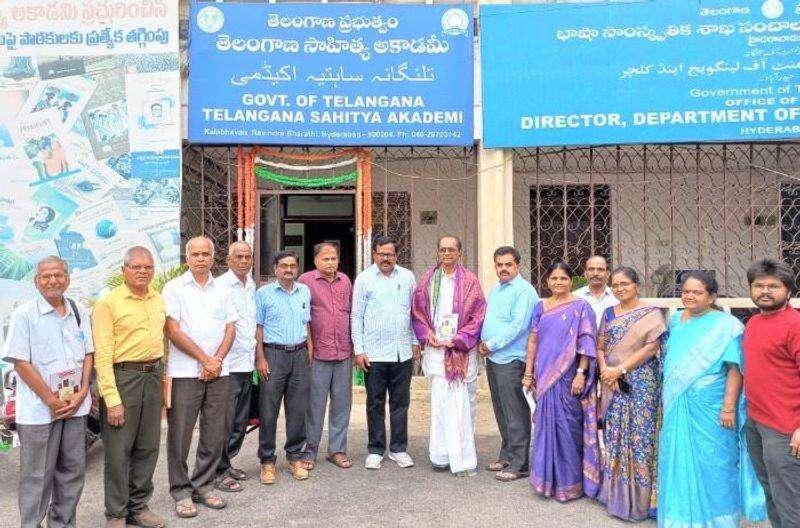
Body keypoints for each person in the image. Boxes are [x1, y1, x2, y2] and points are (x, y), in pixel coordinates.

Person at [658, 271, 765, 528]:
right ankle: (680, 519)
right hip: (677, 405)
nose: (689, 296)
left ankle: (720, 521)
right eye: (686, 291)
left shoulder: (727, 326)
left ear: (712, 296)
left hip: (713, 409)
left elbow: (735, 369)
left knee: (716, 463)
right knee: (676, 461)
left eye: (697, 292)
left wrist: (729, 407)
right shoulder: (675, 322)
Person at [3, 256, 94, 528]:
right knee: (36, 476)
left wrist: (82, 391)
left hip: (76, 406)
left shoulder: (79, 310)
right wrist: (50, 400)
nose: (53, 280)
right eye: (46, 276)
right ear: (36, 282)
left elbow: (89, 352)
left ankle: (63, 523)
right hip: (40, 411)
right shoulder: (25, 315)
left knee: (72, 470)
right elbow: (20, 361)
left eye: (58, 275)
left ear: (67, 278)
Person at [162, 236, 237, 518]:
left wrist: (216, 360)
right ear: (187, 257)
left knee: (213, 432)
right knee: (180, 434)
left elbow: (230, 328)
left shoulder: (223, 289)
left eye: (206, 254)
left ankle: (203, 485)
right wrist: (204, 359)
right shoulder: (174, 288)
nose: (202, 258)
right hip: (185, 372)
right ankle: (180, 490)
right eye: (196, 254)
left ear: (213, 257)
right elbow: (173, 331)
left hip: (220, 370)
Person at [92, 247, 166, 528]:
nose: (143, 271)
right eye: (136, 267)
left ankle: (139, 506)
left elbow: (162, 342)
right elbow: (102, 355)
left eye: (148, 267)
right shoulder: (108, 304)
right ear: (124, 270)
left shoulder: (157, 299)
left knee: (148, 447)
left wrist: (163, 380)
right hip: (124, 379)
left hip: (153, 376)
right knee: (118, 450)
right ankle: (116, 512)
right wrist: (112, 399)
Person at [522, 261, 600, 501]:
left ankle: (570, 484)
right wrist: (528, 372)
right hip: (544, 375)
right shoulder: (540, 306)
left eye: (563, 279)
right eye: (554, 278)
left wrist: (581, 373)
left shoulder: (581, 307)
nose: (558, 283)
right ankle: (547, 481)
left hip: (568, 376)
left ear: (571, 281)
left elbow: (587, 343)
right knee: (546, 426)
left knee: (568, 428)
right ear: (547, 281)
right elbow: (533, 340)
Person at [412, 235, 486, 476]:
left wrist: (458, 339)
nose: (446, 253)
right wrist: (427, 334)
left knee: (463, 403)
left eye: (451, 250)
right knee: (440, 402)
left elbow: (478, 315)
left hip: (461, 351)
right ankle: (441, 455)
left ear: (459, 254)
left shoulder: (470, 281)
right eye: (442, 249)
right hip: (436, 350)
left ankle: (463, 457)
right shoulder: (428, 280)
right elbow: (418, 313)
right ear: (438, 252)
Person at [595, 267, 665, 522]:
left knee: (640, 437)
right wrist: (606, 371)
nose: (619, 288)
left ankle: (644, 499)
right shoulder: (608, 313)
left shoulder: (651, 313)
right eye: (615, 284)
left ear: (636, 285)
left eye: (625, 284)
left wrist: (621, 369)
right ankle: (617, 495)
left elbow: (651, 347)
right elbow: (600, 346)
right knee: (615, 435)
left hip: (642, 383)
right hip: (612, 383)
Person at [352, 235, 419, 470]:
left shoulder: (408, 277)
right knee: (375, 403)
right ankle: (376, 449)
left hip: (402, 353)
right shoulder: (364, 279)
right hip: (374, 353)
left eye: (390, 254)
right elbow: (356, 316)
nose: (386, 258)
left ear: (396, 255)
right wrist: (358, 349)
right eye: (381, 254)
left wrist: (414, 341)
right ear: (374, 254)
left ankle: (399, 449)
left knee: (401, 403)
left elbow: (413, 313)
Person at [742, 259, 800, 528]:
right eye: (759, 285)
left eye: (773, 286)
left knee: (790, 500)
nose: (765, 291)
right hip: (757, 422)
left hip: (786, 429)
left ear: (788, 291)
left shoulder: (795, 326)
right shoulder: (754, 322)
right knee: (770, 492)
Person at [479, 246, 538, 481]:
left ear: (518, 265)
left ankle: (520, 464)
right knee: (502, 411)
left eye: (508, 264)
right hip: (494, 359)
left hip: (512, 359)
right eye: (499, 264)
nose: (503, 268)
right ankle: (506, 456)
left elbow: (519, 326)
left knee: (515, 413)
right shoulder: (498, 288)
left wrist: (491, 344)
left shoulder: (524, 291)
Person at [255, 250, 312, 484]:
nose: (288, 269)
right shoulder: (263, 293)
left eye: (292, 265)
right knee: (268, 411)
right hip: (273, 355)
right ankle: (267, 462)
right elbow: (258, 328)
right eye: (284, 266)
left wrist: (310, 348)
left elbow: (306, 322)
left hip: (299, 354)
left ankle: (295, 457)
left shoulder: (304, 291)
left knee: (298, 410)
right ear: (275, 269)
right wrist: (260, 358)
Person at [299, 243, 354, 470]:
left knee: (342, 404)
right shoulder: (305, 282)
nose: (331, 262)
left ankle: (337, 450)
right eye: (326, 259)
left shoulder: (346, 281)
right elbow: (304, 317)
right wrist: (308, 346)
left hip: (343, 352)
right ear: (316, 261)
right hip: (318, 354)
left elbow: (351, 313)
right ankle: (309, 450)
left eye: (334, 258)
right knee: (315, 405)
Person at [214, 241, 256, 492]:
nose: (243, 261)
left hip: (246, 363)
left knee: (240, 421)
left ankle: (228, 462)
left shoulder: (250, 285)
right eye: (238, 256)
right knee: (225, 421)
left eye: (247, 256)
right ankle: (217, 471)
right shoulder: (220, 286)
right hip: (227, 365)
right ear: (228, 260)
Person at [574, 255, 618, 327]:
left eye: (600, 269)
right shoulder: (576, 297)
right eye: (591, 269)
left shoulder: (617, 297)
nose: (595, 273)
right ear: (585, 274)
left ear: (608, 274)